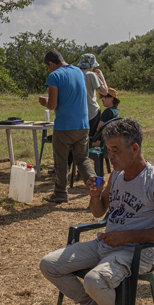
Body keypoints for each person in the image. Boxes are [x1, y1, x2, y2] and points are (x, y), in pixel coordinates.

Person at [39, 118, 154, 305]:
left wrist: (126, 236)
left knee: (94, 280)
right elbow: (99, 212)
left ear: (134, 149)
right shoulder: (117, 176)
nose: (109, 156)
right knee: (49, 264)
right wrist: (95, 196)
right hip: (107, 244)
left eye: (115, 150)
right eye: (108, 150)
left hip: (134, 253)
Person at [39, 50, 93, 203]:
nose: (49, 70)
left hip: (64, 127)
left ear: (51, 63)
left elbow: (53, 104)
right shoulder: (78, 71)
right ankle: (96, 189)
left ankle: (61, 193)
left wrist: (45, 102)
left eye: (48, 67)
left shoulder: (54, 76)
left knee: (61, 162)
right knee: (83, 160)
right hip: (83, 125)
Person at [77, 53, 110, 137]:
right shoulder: (91, 75)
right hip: (92, 112)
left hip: (78, 113)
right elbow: (105, 91)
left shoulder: (76, 74)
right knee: (91, 138)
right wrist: (101, 77)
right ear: (91, 64)